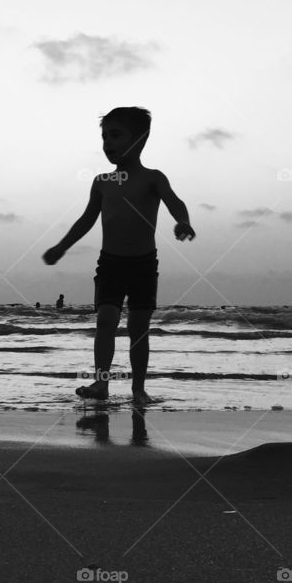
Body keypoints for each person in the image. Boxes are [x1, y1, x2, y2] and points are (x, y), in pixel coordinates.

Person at [43, 106, 195, 406]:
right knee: (106, 320)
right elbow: (86, 219)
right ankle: (101, 384)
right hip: (110, 263)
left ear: (140, 139)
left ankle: (138, 389)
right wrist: (62, 246)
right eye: (104, 137)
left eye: (115, 135)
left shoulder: (153, 178)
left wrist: (183, 221)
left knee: (138, 327)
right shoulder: (102, 182)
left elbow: (174, 201)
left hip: (143, 264)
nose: (107, 143)